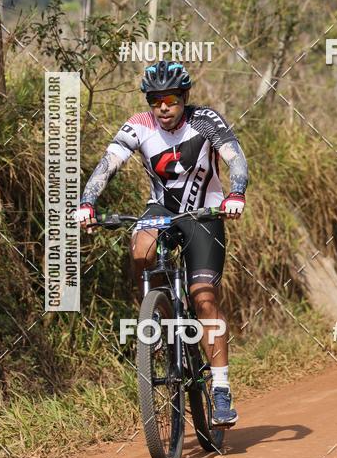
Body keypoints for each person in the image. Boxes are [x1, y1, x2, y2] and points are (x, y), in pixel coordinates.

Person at [76, 60, 248, 425]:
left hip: (205, 214)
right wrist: (87, 202)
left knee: (204, 296)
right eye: (155, 100)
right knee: (141, 248)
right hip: (162, 210)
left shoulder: (205, 121)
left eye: (170, 99)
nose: (163, 107)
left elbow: (236, 158)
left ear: (184, 97)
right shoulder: (139, 125)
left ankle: (220, 388)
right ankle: (157, 316)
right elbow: (107, 164)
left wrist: (237, 193)